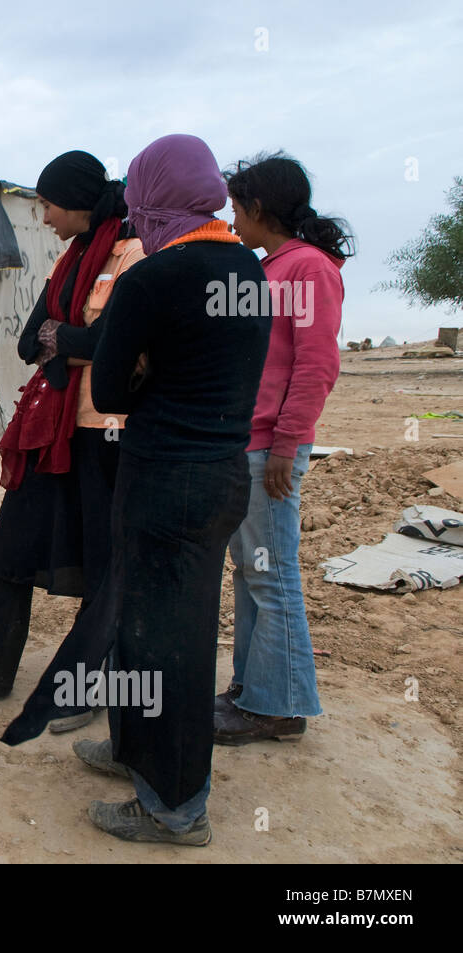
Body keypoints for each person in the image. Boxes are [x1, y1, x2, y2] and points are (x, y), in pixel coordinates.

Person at [47, 134, 271, 846]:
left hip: (161, 479)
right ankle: (131, 754)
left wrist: (141, 367)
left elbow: (109, 387)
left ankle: (175, 806)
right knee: (176, 632)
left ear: (152, 192)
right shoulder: (247, 270)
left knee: (158, 642)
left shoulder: (153, 277)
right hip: (222, 476)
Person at [0, 151, 143, 734]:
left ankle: (89, 687)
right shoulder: (71, 257)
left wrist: (72, 338)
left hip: (105, 434)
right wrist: (75, 339)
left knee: (104, 565)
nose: (44, 215)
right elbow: (32, 340)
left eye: (48, 204)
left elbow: (117, 343)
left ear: (76, 202)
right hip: (50, 430)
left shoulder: (133, 254)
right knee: (12, 549)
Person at [216, 153, 353, 745]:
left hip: (269, 447)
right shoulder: (273, 267)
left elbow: (316, 364)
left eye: (236, 208)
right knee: (253, 573)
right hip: (252, 441)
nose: (231, 219)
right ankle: (255, 688)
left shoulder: (307, 270)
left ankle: (278, 706)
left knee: (273, 577)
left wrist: (286, 444)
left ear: (259, 208)